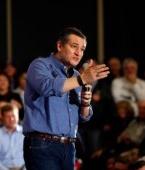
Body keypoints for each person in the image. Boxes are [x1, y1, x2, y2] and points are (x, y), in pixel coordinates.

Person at [22, 27, 110, 170]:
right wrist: (82, 79)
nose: (78, 53)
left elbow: (84, 118)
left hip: (69, 147)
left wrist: (85, 104)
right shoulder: (40, 65)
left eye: (82, 49)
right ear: (59, 46)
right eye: (74, 47)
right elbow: (47, 87)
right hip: (43, 144)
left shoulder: (76, 76)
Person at [0, 103, 25, 170]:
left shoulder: (26, 133)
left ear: (18, 115)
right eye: (8, 116)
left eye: (13, 115)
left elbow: (31, 155)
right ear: (2, 118)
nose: (11, 119)